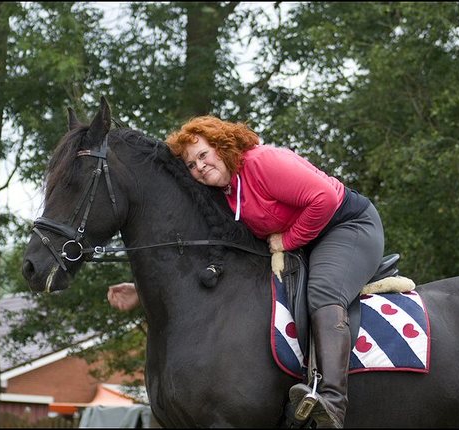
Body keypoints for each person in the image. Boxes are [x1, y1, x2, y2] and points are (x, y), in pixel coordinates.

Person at [107, 115, 385, 428]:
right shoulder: (224, 192)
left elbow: (324, 199)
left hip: (347, 226)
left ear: (221, 146)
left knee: (322, 291)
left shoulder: (262, 163)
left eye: (203, 154)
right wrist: (141, 291)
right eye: (190, 164)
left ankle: (332, 400)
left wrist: (286, 241)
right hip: (303, 242)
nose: (199, 167)